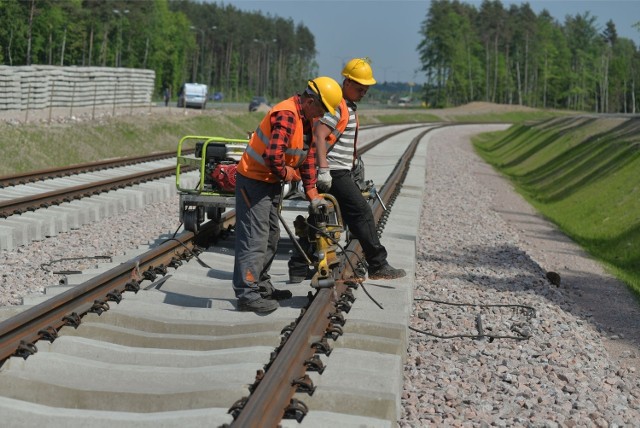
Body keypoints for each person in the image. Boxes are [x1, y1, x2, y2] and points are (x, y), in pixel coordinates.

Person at [288, 58, 406, 282]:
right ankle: (378, 264)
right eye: (360, 88)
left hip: (340, 170)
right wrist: (323, 169)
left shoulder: (347, 106)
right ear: (347, 82)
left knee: (320, 218)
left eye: (366, 89)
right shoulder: (337, 105)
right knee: (361, 212)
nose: (364, 93)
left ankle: (298, 266)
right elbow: (320, 136)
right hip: (334, 172)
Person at [232, 77, 343, 313]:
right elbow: (273, 157)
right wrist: (288, 173)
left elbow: (308, 156)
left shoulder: (306, 118)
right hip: (254, 181)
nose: (322, 115)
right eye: (322, 109)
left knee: (271, 235)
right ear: (310, 100)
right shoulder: (287, 114)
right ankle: (247, 294)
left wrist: (313, 193)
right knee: (255, 238)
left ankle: (261, 286)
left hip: (268, 181)